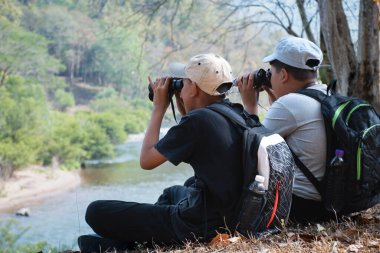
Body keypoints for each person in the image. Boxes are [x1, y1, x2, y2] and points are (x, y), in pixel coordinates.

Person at [78, 53, 246, 252]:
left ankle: (133, 245)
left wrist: (159, 108)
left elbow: (146, 161)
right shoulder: (234, 112)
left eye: (183, 84)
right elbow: (194, 129)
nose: (180, 89)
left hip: (199, 224)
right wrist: (181, 98)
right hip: (231, 214)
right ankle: (145, 240)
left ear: (193, 88)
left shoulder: (197, 122)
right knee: (172, 192)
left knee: (95, 212)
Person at [237, 36, 336, 223]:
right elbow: (282, 138)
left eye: (271, 72)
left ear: (283, 75)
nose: (269, 76)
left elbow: (251, 150)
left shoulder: (289, 104)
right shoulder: (327, 95)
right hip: (331, 204)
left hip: (303, 208)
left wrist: (250, 105)